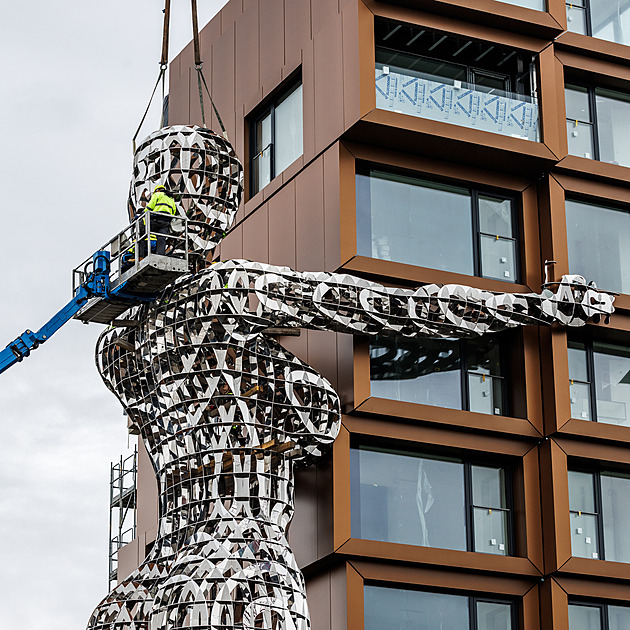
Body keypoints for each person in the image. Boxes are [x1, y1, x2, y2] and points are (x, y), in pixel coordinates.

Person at [138, 184, 177, 257]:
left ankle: (141, 256)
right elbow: (174, 211)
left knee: (141, 233)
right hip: (166, 222)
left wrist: (141, 214)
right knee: (161, 239)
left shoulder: (157, 194)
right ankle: (160, 255)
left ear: (157, 190)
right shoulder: (171, 199)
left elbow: (150, 206)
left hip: (156, 219)